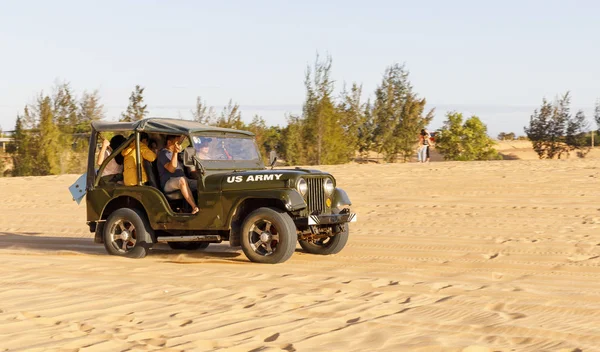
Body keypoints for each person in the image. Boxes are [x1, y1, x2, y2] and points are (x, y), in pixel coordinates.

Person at [157, 135, 199, 214]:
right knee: (181, 181)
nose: (179, 145)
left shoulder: (174, 153)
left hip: (183, 179)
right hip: (168, 182)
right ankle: (194, 207)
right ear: (169, 142)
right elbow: (171, 169)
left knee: (202, 184)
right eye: (177, 143)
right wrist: (175, 153)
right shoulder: (163, 153)